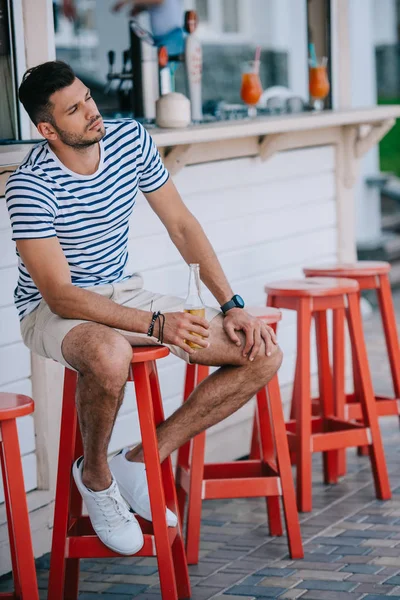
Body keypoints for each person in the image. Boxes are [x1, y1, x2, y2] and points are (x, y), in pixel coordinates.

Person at [6, 60, 282, 556]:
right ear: (47, 129)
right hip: (53, 311)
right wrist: (159, 325)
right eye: (74, 109)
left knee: (260, 354)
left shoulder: (130, 140)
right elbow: (59, 295)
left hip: (124, 291)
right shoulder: (30, 186)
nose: (92, 112)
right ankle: (95, 475)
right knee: (108, 353)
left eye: (88, 97)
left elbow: (181, 225)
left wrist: (231, 304)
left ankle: (142, 456)